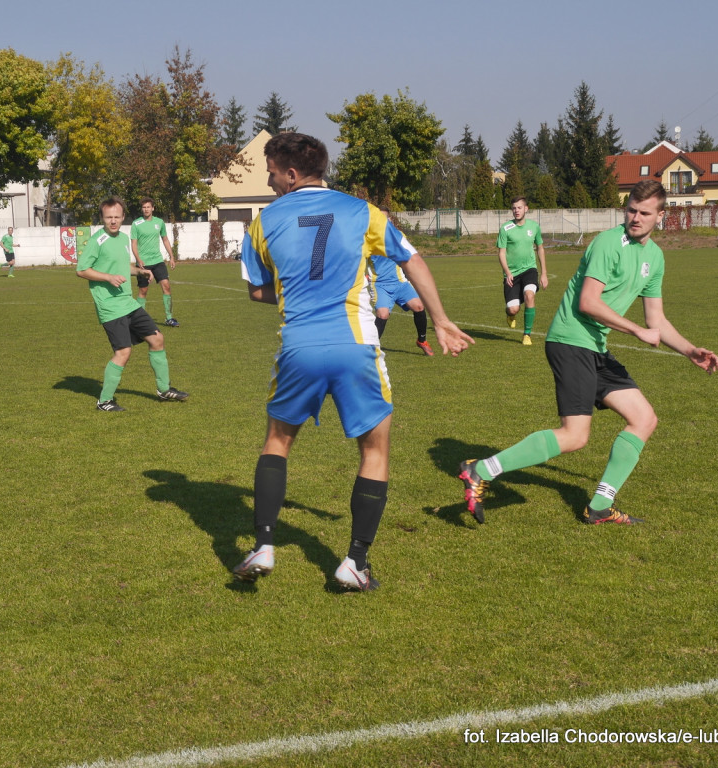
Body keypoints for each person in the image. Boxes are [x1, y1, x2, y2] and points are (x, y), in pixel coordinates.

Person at [235, 132, 473, 591]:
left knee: (278, 442)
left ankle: (263, 544)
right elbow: (413, 259)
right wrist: (440, 320)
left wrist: (298, 293)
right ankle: (354, 562)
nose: (268, 180)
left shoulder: (262, 223)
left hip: (298, 347)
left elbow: (256, 291)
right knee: (375, 449)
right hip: (355, 344)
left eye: (270, 171)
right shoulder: (362, 210)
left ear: (290, 173)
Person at [459, 180, 718, 526]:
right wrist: (636, 331)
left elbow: (655, 319)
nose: (635, 218)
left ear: (661, 215)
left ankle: (599, 506)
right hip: (570, 340)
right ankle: (481, 470)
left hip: (596, 347)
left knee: (644, 419)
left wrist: (689, 350)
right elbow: (588, 303)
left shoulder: (654, 258)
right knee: (575, 435)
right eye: (631, 210)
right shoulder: (609, 243)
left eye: (644, 213)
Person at [76, 197, 189, 412]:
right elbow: (82, 270)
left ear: (123, 217)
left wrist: (139, 270)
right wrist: (108, 277)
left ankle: (164, 390)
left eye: (117, 217)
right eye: (109, 217)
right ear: (102, 217)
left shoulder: (123, 238)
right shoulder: (97, 241)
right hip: (109, 306)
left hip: (127, 302)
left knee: (157, 338)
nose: (113, 221)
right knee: (123, 352)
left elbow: (121, 265)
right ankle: (104, 401)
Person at [368, 207, 435, 356]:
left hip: (400, 282)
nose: (385, 221)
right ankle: (372, 349)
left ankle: (422, 340)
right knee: (383, 314)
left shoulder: (399, 236)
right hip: (380, 285)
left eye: (387, 218)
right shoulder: (368, 239)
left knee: (418, 306)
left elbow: (410, 258)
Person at [497, 196, 548, 345]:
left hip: (529, 269)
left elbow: (540, 248)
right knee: (513, 309)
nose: (516, 211)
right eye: (514, 208)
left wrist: (544, 273)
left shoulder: (534, 227)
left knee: (529, 295)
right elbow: (501, 253)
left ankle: (527, 334)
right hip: (512, 273)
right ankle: (510, 315)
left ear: (526, 209)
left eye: (519, 208)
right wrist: (507, 272)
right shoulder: (505, 228)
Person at [130, 198, 179, 326]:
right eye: (144, 207)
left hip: (158, 261)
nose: (146, 209)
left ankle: (169, 318)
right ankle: (140, 320)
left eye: (148, 207)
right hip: (143, 263)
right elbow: (134, 244)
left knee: (166, 286)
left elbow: (165, 239)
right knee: (143, 291)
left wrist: (171, 256)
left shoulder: (159, 222)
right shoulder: (136, 223)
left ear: (153, 208)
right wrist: (138, 259)